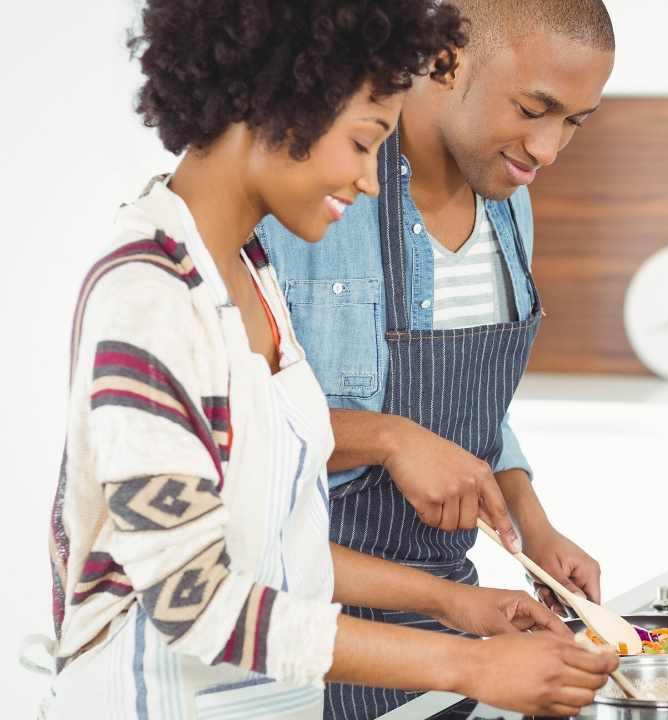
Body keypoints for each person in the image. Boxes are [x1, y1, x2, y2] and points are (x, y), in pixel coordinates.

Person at [42, 2, 613, 718]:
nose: (376, 182)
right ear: (282, 110)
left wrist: (457, 604)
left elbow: (285, 545)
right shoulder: (149, 297)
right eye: (365, 141)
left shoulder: (251, 278)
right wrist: (468, 663)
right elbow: (195, 603)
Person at [256, 1, 616, 716]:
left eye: (574, 122)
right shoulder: (307, 196)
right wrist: (388, 439)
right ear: (446, 61)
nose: (547, 150)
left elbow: (478, 412)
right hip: (296, 632)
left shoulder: (510, 200)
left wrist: (530, 520)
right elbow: (234, 432)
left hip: (450, 618)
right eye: (533, 108)